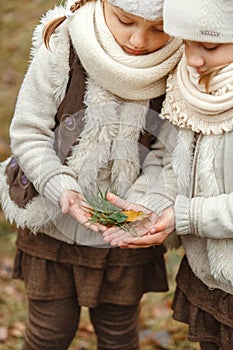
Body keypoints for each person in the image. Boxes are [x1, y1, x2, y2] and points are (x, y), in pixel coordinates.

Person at [0, 0, 183, 349]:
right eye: (125, 21)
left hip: (123, 231)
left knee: (118, 333)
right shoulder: (64, 44)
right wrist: (60, 186)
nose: (139, 40)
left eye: (158, 28)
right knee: (49, 331)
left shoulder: (179, 66)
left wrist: (142, 206)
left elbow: (169, 154)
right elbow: (28, 132)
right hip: (52, 221)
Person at [103, 0, 233, 349]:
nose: (193, 59)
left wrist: (188, 215)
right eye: (186, 43)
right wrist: (150, 206)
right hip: (210, 277)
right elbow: (171, 159)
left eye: (209, 46)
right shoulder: (189, 84)